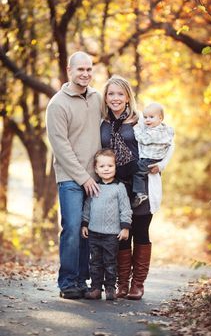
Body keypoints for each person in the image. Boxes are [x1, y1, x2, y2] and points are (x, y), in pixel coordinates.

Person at [100, 75, 174, 300]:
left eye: (120, 94)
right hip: (114, 187)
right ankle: (122, 283)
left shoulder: (140, 119)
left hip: (141, 185)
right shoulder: (102, 122)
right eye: (111, 93)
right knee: (122, 234)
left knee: (140, 232)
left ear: (127, 97)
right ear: (105, 97)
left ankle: (137, 284)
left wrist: (161, 165)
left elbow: (169, 139)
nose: (115, 98)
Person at [46, 51, 102, 299]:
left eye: (89, 69)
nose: (85, 74)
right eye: (80, 69)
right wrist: (84, 177)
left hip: (97, 178)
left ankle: (82, 279)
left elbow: (117, 118)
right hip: (70, 177)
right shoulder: (58, 104)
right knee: (71, 227)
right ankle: (67, 282)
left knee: (87, 230)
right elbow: (61, 147)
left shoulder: (97, 98)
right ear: (69, 71)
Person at [81, 149, 132, 301]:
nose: (106, 169)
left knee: (110, 262)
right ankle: (96, 288)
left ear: (115, 167)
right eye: (102, 166)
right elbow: (87, 207)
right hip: (94, 233)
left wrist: (125, 227)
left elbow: (125, 208)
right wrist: (85, 224)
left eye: (110, 165)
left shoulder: (119, 187)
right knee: (95, 262)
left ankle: (110, 289)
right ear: (96, 169)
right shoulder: (94, 186)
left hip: (111, 234)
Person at [131, 102, 174, 208]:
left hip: (149, 160)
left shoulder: (154, 132)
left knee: (137, 173)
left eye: (151, 117)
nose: (147, 120)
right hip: (155, 158)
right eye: (145, 117)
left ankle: (141, 194)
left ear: (160, 118)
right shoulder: (165, 129)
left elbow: (143, 139)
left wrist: (136, 129)